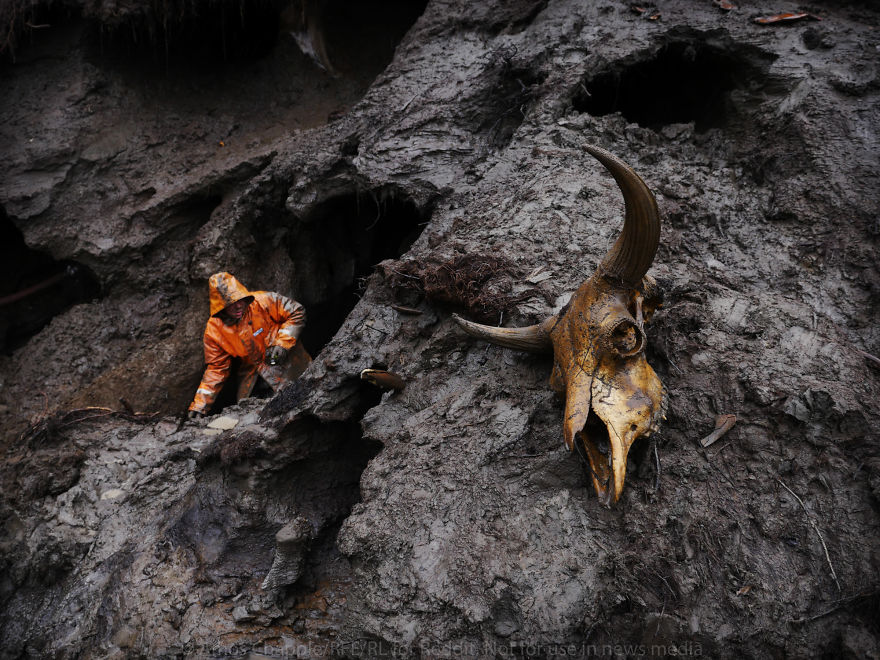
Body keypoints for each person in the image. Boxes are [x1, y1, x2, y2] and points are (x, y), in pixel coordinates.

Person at [188, 272, 311, 418]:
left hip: (287, 362)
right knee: (248, 413)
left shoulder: (263, 301)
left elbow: (296, 311)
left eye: (240, 300)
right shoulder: (214, 330)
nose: (238, 306)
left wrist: (282, 344)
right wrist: (200, 404)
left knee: (304, 396)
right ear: (220, 307)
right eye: (231, 304)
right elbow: (216, 368)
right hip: (252, 375)